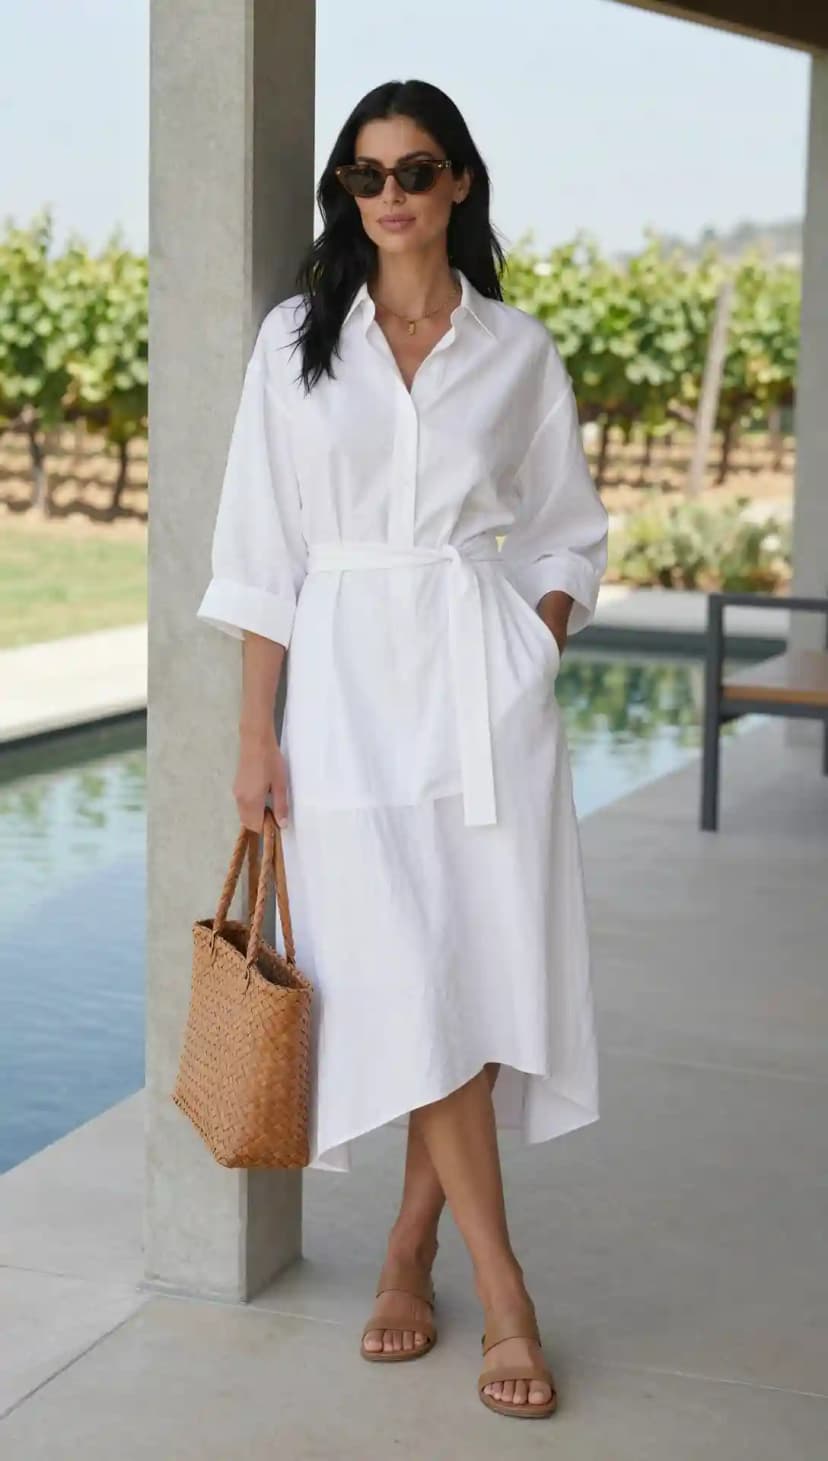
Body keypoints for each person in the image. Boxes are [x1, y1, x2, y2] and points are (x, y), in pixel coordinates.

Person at [196, 78, 609, 1421]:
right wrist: (257, 732)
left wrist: (533, 650)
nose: (389, 196)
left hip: (479, 691)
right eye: (364, 176)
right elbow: (263, 551)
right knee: (403, 974)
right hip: (344, 699)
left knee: (471, 970)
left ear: (458, 185)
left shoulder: (517, 351)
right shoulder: (297, 346)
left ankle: (405, 1249)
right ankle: (505, 1294)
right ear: (347, 195)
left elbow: (566, 530)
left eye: (414, 170)